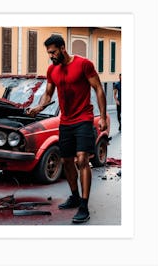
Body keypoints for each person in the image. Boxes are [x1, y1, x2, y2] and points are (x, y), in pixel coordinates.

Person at [27, 35, 107, 223]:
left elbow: (98, 89)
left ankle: (84, 206)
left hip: (84, 119)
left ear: (63, 48)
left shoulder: (83, 64)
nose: (51, 56)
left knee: (82, 159)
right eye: (48, 53)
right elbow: (48, 94)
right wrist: (38, 107)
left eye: (53, 52)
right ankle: (75, 196)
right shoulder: (52, 70)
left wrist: (102, 116)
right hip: (66, 122)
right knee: (67, 160)